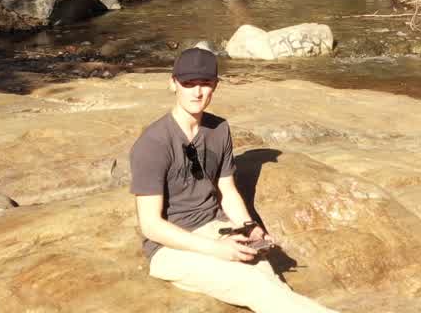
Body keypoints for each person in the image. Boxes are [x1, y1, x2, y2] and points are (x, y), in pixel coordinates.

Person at [130, 47, 336, 313]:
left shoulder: (219, 129)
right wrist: (215, 250)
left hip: (216, 227)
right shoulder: (153, 143)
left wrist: (248, 227)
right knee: (255, 286)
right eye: (188, 83)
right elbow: (151, 226)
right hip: (169, 247)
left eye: (205, 83)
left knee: (269, 280)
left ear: (215, 85)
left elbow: (226, 190)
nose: (197, 92)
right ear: (173, 83)